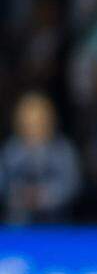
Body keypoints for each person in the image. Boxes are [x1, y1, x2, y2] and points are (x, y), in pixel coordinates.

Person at [0, 93, 81, 224]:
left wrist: (43, 196)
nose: (33, 126)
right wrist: (20, 195)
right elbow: (3, 184)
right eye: (28, 122)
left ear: (49, 120)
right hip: (17, 224)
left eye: (38, 121)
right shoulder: (10, 151)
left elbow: (71, 184)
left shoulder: (63, 150)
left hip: (56, 223)